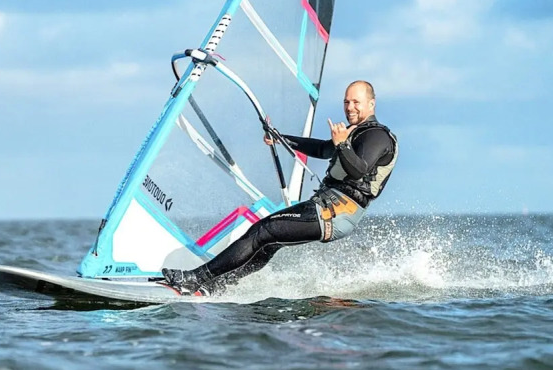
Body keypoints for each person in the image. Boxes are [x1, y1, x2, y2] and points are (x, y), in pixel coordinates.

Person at [162, 80, 399, 296]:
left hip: (336, 212)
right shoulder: (354, 132)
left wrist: (342, 145)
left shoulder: (377, 136)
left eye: (356, 102)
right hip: (328, 208)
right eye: (346, 102)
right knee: (268, 244)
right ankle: (215, 286)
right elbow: (322, 149)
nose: (349, 107)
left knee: (262, 231)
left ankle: (195, 279)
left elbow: (358, 170)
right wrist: (281, 138)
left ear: (371, 103)